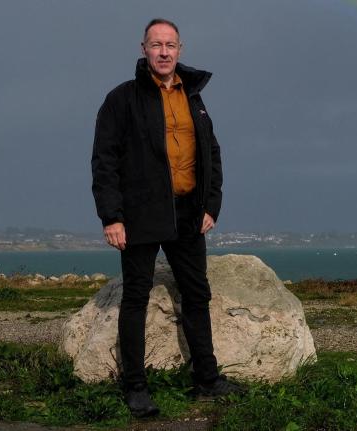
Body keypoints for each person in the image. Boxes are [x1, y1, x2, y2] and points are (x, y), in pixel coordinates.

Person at [91, 18, 243, 418]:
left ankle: (207, 379)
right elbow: (104, 161)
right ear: (143, 48)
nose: (163, 51)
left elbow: (211, 152)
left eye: (170, 44)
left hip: (189, 213)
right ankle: (136, 388)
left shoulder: (194, 96)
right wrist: (112, 216)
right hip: (140, 214)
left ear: (180, 49)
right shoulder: (121, 99)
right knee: (136, 298)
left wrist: (211, 205)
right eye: (156, 44)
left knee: (197, 294)